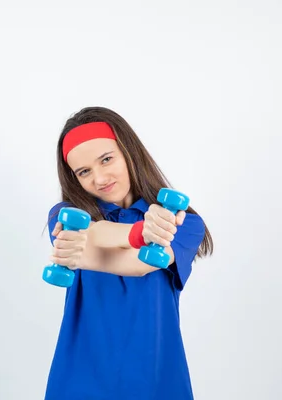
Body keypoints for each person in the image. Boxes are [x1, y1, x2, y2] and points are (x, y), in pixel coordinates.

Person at [43, 106, 214, 400]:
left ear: (128, 152)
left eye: (106, 159)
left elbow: (138, 265)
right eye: (84, 172)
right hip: (79, 381)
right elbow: (94, 234)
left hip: (156, 380)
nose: (99, 178)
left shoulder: (182, 221)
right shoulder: (67, 216)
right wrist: (140, 233)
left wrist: (86, 255)